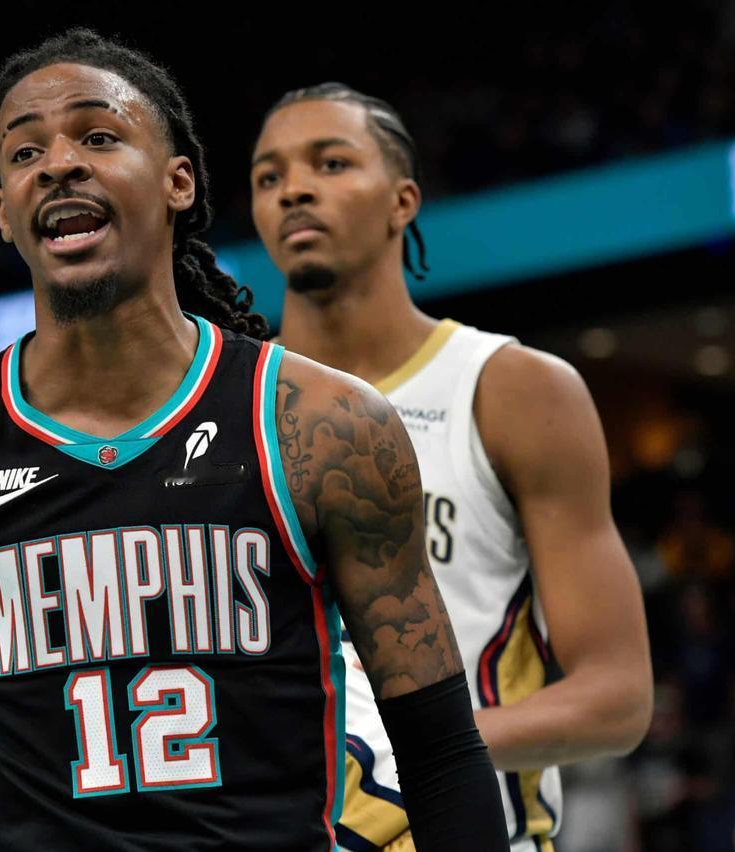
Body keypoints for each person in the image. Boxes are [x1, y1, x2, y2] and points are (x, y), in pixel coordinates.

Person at [0, 30, 508, 852]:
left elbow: (441, 753)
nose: (58, 164)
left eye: (98, 135)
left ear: (178, 181)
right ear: (5, 213)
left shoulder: (324, 426)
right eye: (26, 152)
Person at [248, 83, 653, 851]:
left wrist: (407, 752)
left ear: (403, 201)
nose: (293, 189)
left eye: (330, 163)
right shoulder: (228, 405)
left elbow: (618, 697)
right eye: (269, 177)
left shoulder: (513, 389)